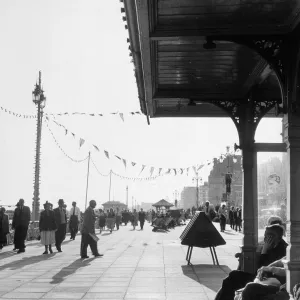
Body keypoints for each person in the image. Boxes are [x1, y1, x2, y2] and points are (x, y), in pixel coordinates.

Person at [215, 224, 288, 300]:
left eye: (269, 236)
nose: (266, 238)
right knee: (233, 276)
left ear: (277, 237)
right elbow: (262, 268)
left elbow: (264, 267)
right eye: (265, 235)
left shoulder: (283, 249)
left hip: (270, 280)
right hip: (261, 277)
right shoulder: (271, 246)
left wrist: (264, 251)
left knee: (236, 279)